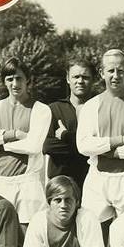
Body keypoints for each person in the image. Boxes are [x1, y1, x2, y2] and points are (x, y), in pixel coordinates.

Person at [76, 48, 124, 239]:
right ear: (102, 73)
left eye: (120, 71)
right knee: (93, 238)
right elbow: (84, 146)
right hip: (97, 180)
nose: (116, 75)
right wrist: (118, 141)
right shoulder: (91, 106)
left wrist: (103, 150)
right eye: (111, 71)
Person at [0, 56, 52, 228]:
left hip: (28, 184)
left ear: (28, 80)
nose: (15, 84)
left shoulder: (41, 110)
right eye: (10, 79)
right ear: (4, 81)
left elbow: (33, 146)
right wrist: (12, 134)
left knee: (29, 239)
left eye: (19, 78)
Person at [43, 59, 95, 187]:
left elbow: (100, 147)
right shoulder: (54, 109)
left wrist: (66, 136)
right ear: (67, 79)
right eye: (76, 77)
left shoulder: (99, 109)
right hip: (60, 183)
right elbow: (47, 146)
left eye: (85, 77)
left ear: (93, 79)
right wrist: (85, 146)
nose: (80, 81)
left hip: (91, 182)